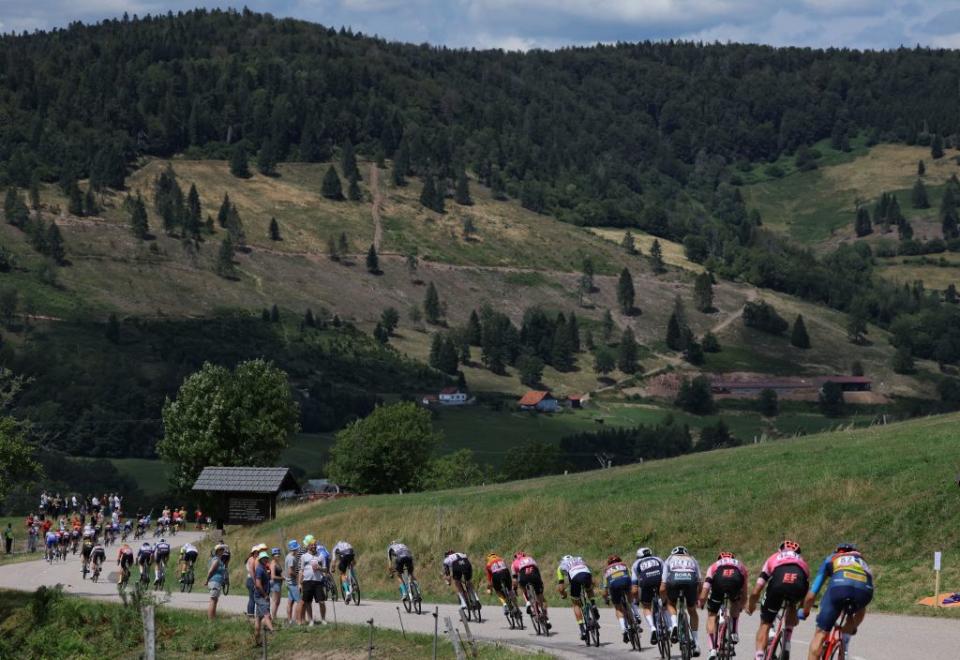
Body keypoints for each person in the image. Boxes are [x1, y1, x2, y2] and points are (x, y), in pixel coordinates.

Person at [802, 543, 873, 660]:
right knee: (858, 607)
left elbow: (811, 595)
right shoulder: (863, 562)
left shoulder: (831, 558)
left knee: (820, 634)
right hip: (864, 592)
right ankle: (845, 641)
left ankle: (834, 639)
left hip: (839, 588)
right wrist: (854, 626)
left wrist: (805, 611)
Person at [747, 540, 810, 660]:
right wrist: (800, 609)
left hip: (778, 585)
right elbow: (806, 590)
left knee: (765, 623)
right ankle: (787, 643)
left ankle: (759, 656)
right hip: (798, 586)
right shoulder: (803, 563)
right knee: (792, 605)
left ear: (780, 550)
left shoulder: (774, 557)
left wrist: (751, 604)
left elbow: (757, 589)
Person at [699, 552, 748, 660]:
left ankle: (712, 650)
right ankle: (734, 632)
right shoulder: (740, 565)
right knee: (735, 602)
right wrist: (741, 605)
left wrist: (701, 602)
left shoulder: (714, 566)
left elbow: (706, 588)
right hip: (735, 581)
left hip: (719, 583)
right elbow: (744, 591)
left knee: (711, 615)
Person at [661, 545, 702, 657]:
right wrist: (698, 596)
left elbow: (663, 585)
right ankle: (696, 643)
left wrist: (664, 600)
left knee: (671, 604)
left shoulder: (669, 559)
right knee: (692, 611)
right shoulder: (692, 559)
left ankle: (674, 624)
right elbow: (699, 581)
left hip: (674, 580)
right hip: (690, 581)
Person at [556, 554, 598, 641]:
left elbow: (561, 587)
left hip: (575, 578)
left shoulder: (561, 566)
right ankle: (593, 605)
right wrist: (592, 586)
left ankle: (582, 629)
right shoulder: (579, 559)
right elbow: (591, 575)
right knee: (589, 590)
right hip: (586, 574)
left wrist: (563, 594)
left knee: (575, 604)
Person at [632, 547, 665, 646]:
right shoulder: (658, 559)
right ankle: (669, 625)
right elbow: (666, 574)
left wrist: (636, 600)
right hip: (659, 580)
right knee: (666, 603)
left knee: (646, 606)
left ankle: (653, 628)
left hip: (646, 582)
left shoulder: (636, 564)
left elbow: (634, 586)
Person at [511, 551, 550, 629]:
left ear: (515, 557)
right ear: (524, 555)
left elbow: (514, 580)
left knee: (523, 588)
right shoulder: (530, 558)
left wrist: (515, 589)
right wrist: (540, 583)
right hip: (534, 574)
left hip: (523, 575)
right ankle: (545, 618)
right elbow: (537, 570)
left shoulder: (514, 563)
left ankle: (528, 602)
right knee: (541, 598)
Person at [603, 554, 635, 644]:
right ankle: (636, 615)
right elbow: (631, 577)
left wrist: (606, 598)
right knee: (630, 598)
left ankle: (624, 630)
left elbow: (605, 587)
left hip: (614, 585)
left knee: (618, 608)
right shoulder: (624, 565)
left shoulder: (606, 570)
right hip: (625, 581)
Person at [299, 537, 325, 625]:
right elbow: (301, 570)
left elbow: (326, 569)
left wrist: (319, 568)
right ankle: (311, 620)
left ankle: (323, 619)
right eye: (312, 545)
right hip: (307, 581)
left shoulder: (321, 556)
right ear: (308, 546)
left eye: (315, 545)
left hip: (318, 581)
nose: (314, 546)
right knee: (307, 602)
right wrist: (299, 583)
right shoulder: (303, 556)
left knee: (321, 601)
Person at [253, 551, 275, 644]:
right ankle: (273, 632)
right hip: (261, 596)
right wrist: (265, 595)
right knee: (267, 615)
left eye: (267, 558)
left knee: (258, 618)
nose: (266, 559)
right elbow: (258, 584)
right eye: (265, 558)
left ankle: (257, 640)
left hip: (261, 596)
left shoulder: (263, 568)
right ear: (261, 560)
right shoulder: (259, 569)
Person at [205, 544, 228, 619]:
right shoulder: (216, 560)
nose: (223, 551)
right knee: (213, 600)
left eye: (223, 549)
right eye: (221, 550)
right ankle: (211, 619)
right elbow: (211, 571)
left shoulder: (218, 559)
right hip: (214, 581)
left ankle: (213, 617)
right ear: (217, 551)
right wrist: (207, 580)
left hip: (217, 582)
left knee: (215, 600)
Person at [246, 544, 267, 618]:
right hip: (251, 580)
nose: (257, 553)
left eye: (258, 552)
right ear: (253, 553)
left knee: (252, 598)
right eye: (256, 552)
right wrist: (255, 582)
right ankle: (251, 615)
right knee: (252, 599)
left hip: (251, 580)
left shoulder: (252, 559)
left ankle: (251, 614)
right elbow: (252, 572)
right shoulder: (252, 559)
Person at [284, 540, 302, 624]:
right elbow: (290, 572)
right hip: (293, 583)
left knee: (290, 602)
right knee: (299, 602)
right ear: (295, 549)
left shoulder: (288, 556)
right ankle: (298, 621)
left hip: (289, 583)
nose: (298, 549)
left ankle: (290, 620)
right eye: (297, 548)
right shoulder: (291, 558)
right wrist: (298, 576)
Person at [270, 548, 284, 621]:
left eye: (278, 554)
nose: (278, 556)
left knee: (278, 601)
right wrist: (282, 578)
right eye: (276, 555)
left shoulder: (277, 563)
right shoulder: (273, 564)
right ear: (273, 556)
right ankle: (273, 617)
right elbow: (273, 576)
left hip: (278, 583)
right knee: (275, 601)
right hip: (275, 583)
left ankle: (274, 616)